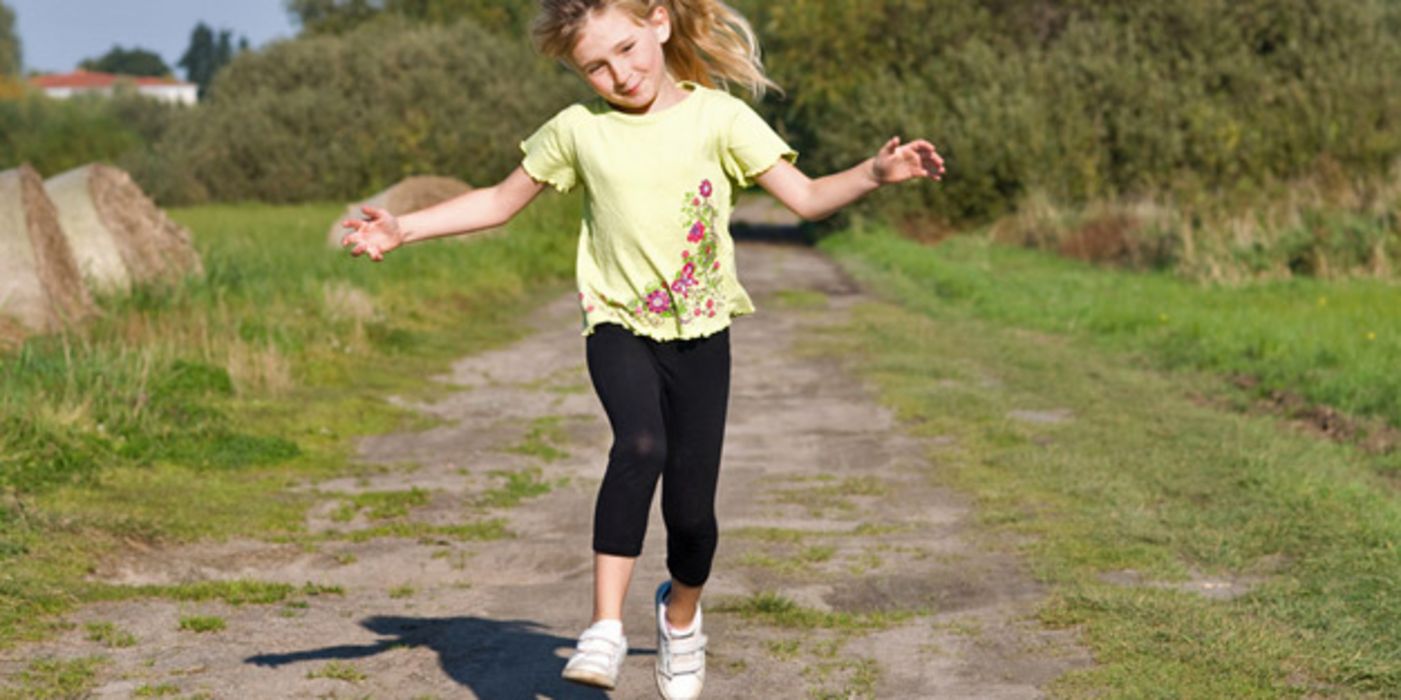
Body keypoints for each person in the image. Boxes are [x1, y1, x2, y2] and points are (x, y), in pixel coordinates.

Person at [340, 1, 944, 697]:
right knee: (638, 446)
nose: (619, 74)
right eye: (595, 66)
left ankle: (679, 616)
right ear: (575, 70)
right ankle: (603, 625)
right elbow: (497, 203)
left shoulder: (717, 117)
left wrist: (873, 172)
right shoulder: (576, 131)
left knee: (692, 515)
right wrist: (402, 229)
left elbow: (804, 198)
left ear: (658, 22)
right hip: (617, 323)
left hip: (701, 332)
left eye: (627, 49)